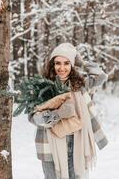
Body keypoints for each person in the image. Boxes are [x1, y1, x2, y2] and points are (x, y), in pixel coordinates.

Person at [28, 43, 108, 179]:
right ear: (52, 65)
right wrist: (57, 114)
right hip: (49, 144)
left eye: (67, 63)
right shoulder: (43, 86)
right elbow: (33, 117)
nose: (62, 68)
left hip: (77, 140)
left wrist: (82, 63)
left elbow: (101, 76)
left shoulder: (80, 84)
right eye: (58, 63)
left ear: (72, 65)